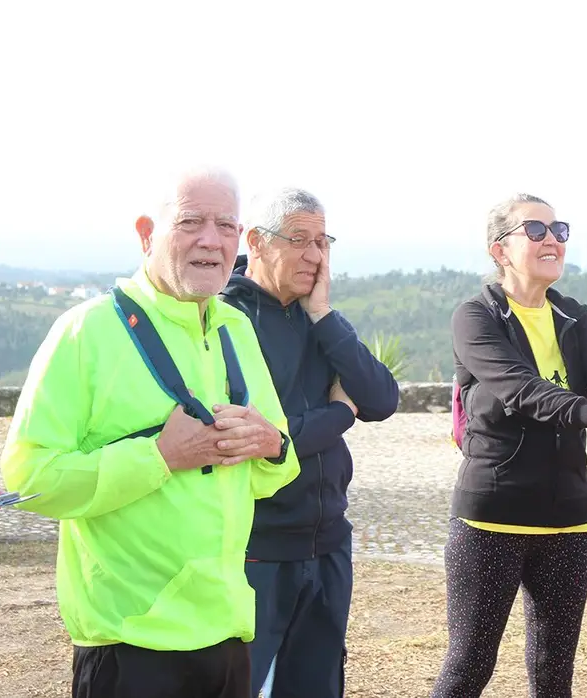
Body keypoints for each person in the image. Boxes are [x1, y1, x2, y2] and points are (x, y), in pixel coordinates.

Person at [0, 166, 301, 698]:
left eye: (226, 226)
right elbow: (30, 479)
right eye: (190, 222)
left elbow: (271, 470)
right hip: (129, 642)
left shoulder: (236, 328)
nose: (210, 239)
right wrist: (159, 455)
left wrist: (271, 446)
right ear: (146, 233)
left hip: (228, 633)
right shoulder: (85, 331)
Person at [431, 193, 587, 698]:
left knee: (554, 673)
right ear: (499, 250)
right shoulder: (476, 317)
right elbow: (521, 390)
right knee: (469, 667)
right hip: (492, 516)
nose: (553, 241)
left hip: (569, 515)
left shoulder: (571, 314)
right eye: (537, 231)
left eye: (559, 231)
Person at [219, 187, 400, 698]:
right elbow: (265, 440)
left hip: (327, 546)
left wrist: (324, 315)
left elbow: (383, 399)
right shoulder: (226, 320)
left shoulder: (319, 319)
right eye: (299, 240)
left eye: (323, 241)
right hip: (257, 550)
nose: (315, 256)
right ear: (255, 241)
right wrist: (341, 412)